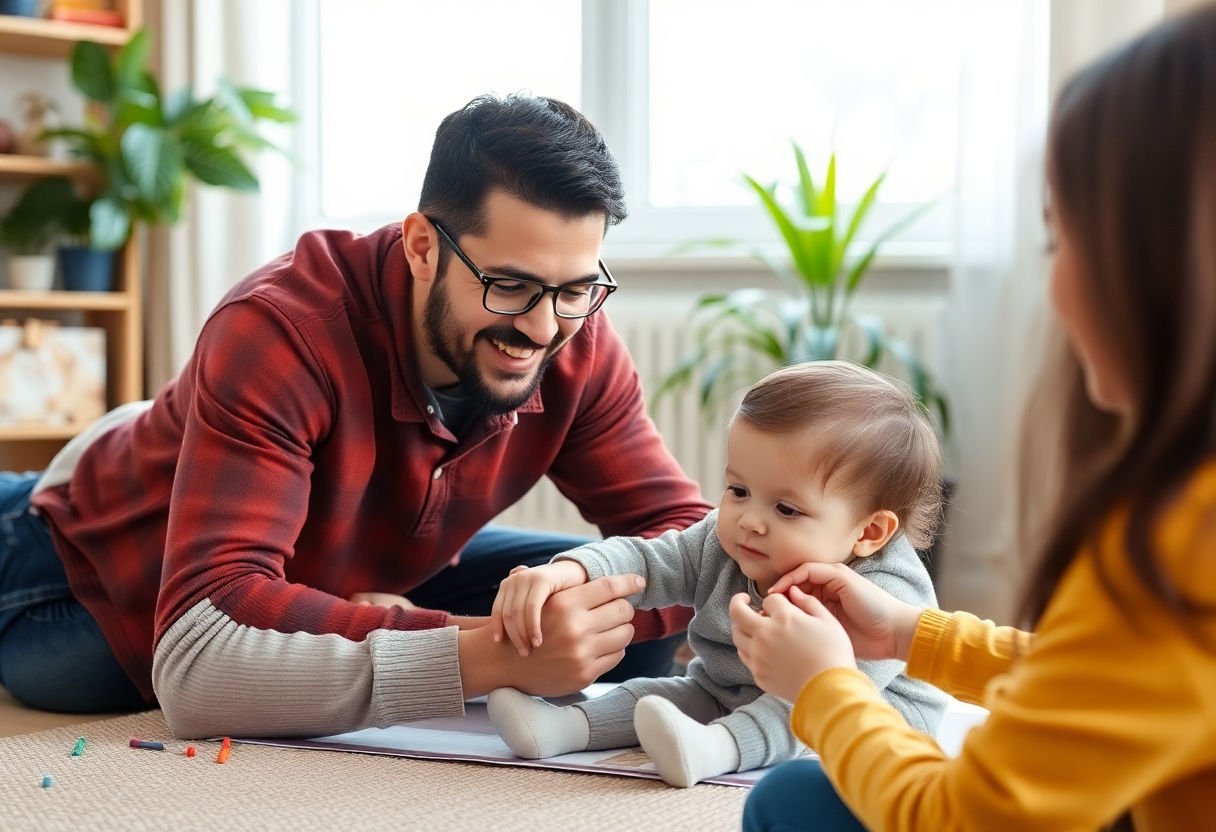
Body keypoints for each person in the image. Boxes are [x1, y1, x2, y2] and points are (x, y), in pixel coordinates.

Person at [0, 94, 714, 736]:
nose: (542, 327)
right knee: (87, 679)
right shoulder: (283, 330)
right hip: (82, 566)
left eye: (576, 289)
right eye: (510, 285)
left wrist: (525, 622)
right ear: (423, 246)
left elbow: (689, 544)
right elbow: (208, 640)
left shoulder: (575, 336)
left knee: (612, 621)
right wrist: (479, 650)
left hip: (354, 561)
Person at [733, 7, 1216, 830]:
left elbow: (958, 817)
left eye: (1059, 239)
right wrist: (907, 634)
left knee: (794, 804)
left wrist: (824, 686)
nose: (1054, 289)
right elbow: (1098, 683)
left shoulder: (1175, 544)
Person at [484, 361, 948, 787]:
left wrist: (736, 728)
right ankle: (566, 728)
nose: (749, 519)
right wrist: (573, 569)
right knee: (657, 695)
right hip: (729, 689)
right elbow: (649, 561)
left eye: (787, 508)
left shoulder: (885, 593)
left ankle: (717, 749)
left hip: (854, 714)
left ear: (868, 531)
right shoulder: (727, 540)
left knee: (793, 711)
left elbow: (829, 695)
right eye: (738, 489)